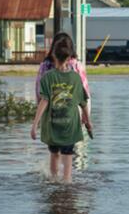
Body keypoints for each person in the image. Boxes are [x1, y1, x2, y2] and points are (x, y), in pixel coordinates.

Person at [31, 35, 92, 182]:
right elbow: (84, 97)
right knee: (68, 153)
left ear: (53, 52)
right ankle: (66, 183)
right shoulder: (75, 69)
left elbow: (41, 97)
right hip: (70, 120)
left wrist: (36, 123)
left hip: (53, 118)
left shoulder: (47, 70)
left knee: (55, 153)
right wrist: (87, 119)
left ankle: (54, 183)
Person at [36, 32, 90, 101]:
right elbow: (85, 94)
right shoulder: (76, 66)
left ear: (53, 51)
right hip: (73, 110)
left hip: (50, 109)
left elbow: (40, 94)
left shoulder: (45, 67)